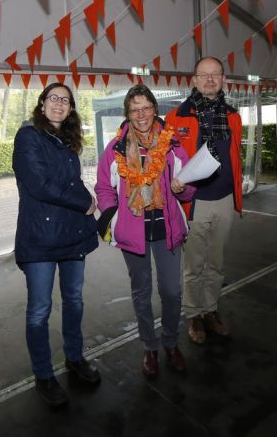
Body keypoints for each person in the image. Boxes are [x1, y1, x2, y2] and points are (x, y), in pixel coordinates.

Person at [95, 85, 195, 378]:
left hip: (167, 229)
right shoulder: (115, 148)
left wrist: (183, 187)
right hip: (133, 232)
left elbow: (190, 184)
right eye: (134, 109)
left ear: (155, 109)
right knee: (141, 292)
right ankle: (149, 346)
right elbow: (103, 188)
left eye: (146, 108)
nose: (141, 115)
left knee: (172, 292)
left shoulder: (172, 143)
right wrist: (113, 216)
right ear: (127, 114)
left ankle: (170, 342)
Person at [12, 82, 100, 406]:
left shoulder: (67, 139)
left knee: (74, 299)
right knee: (39, 310)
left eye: (66, 100)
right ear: (42, 103)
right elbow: (41, 185)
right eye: (54, 98)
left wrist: (87, 197)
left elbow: (71, 181)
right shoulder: (28, 136)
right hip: (40, 237)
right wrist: (85, 202)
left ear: (71, 108)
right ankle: (44, 374)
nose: (59, 104)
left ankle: (74, 357)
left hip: (71, 232)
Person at [165, 56, 242, 345]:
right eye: (203, 74)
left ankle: (210, 309)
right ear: (194, 80)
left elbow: (235, 157)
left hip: (224, 200)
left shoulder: (233, 116)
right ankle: (194, 314)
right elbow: (166, 159)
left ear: (223, 79)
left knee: (217, 263)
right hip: (193, 202)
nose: (210, 79)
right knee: (194, 265)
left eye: (215, 74)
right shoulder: (176, 117)